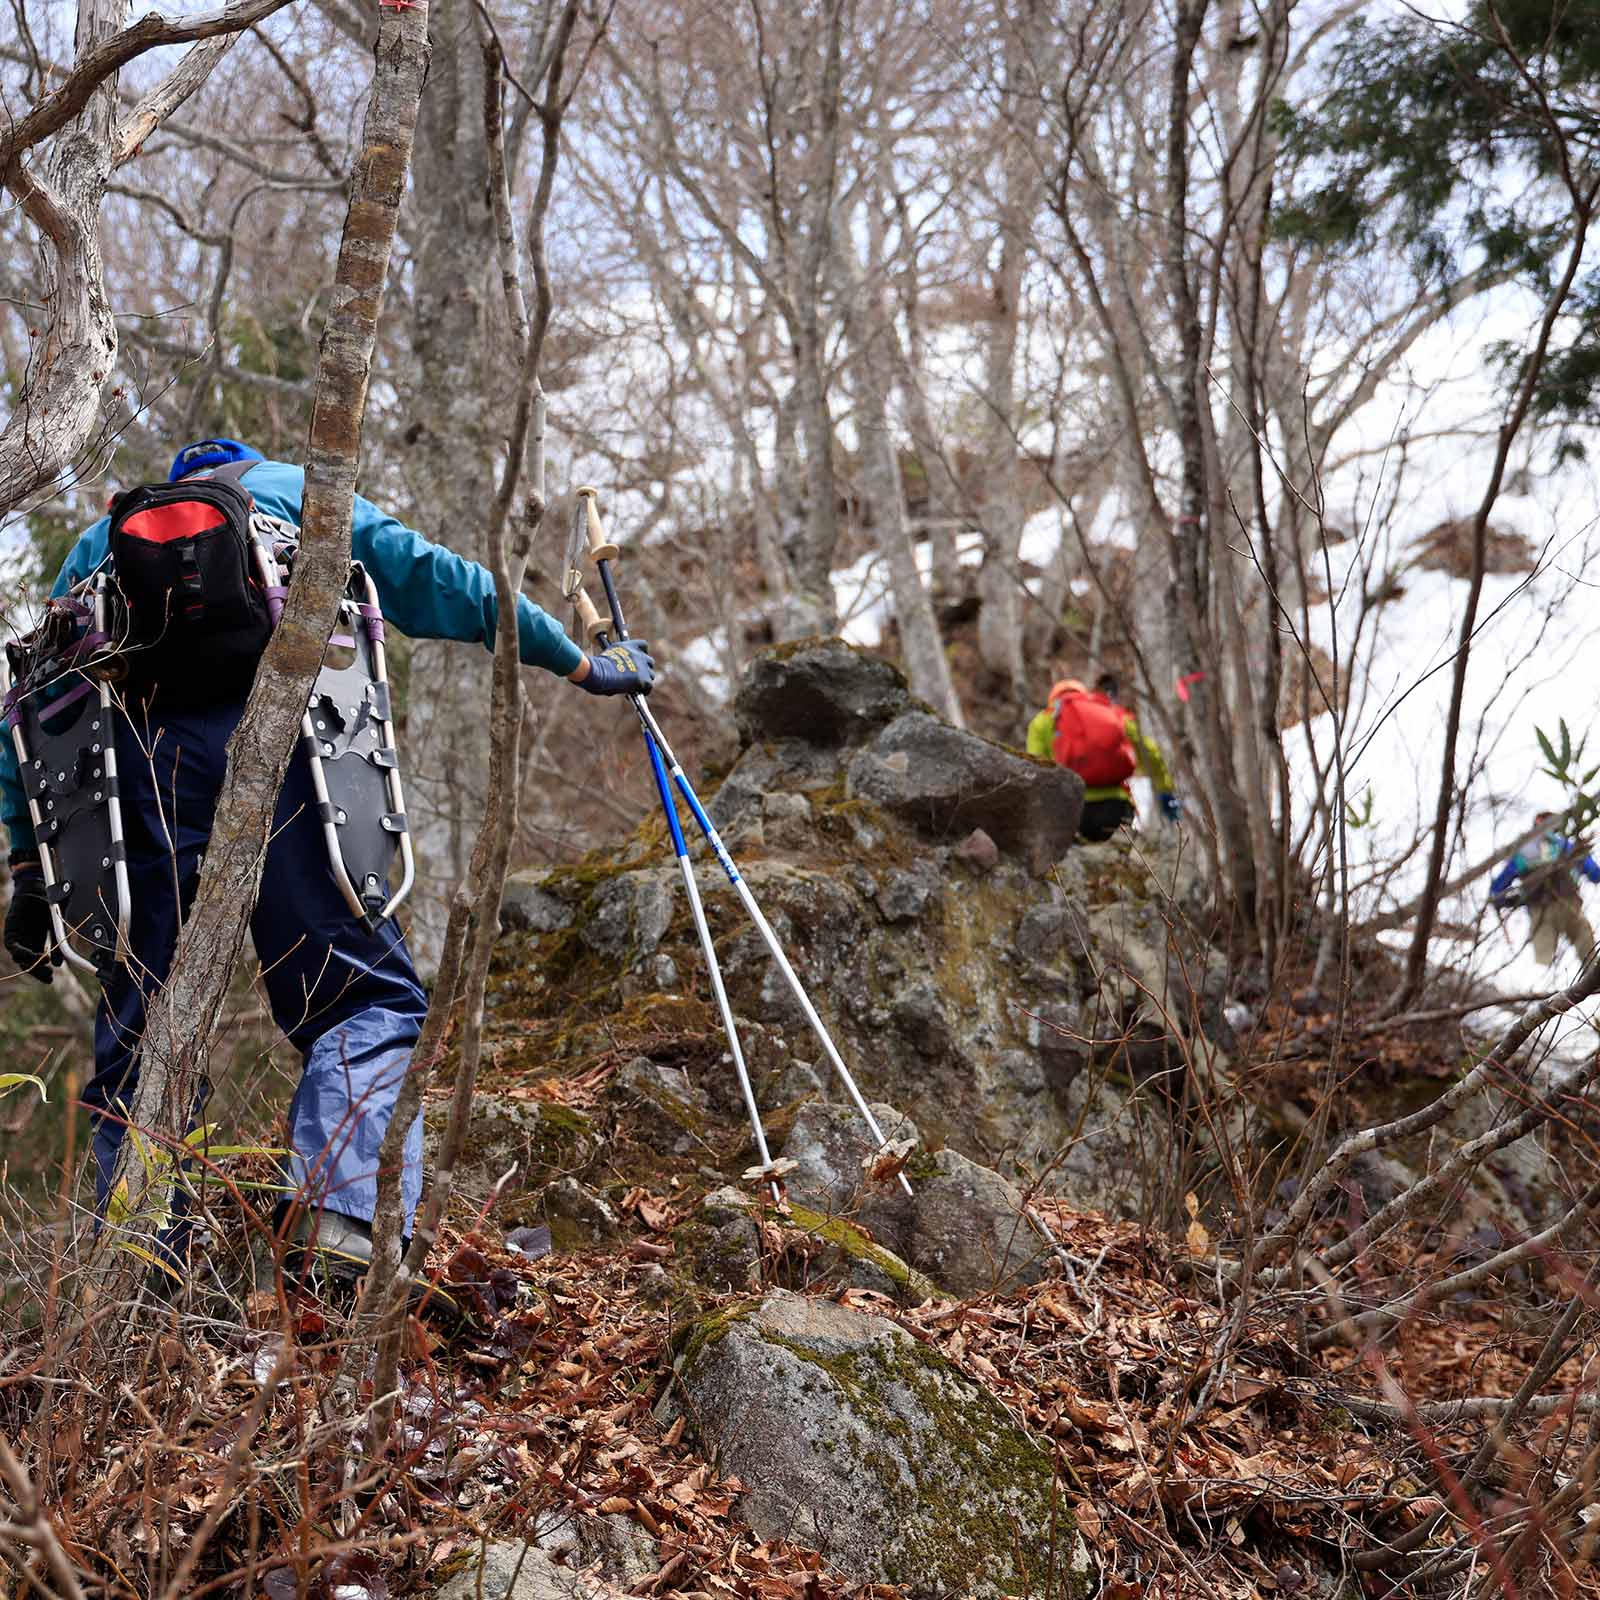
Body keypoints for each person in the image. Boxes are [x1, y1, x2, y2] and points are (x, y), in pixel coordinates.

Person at [0, 438, 654, 1282]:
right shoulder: (299, 492)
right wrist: (583, 660)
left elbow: (31, 699)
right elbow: (441, 583)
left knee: (146, 1030)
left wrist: (27, 871)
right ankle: (341, 1226)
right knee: (363, 1000)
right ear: (243, 462)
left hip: (142, 786)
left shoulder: (102, 542)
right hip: (288, 756)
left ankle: (137, 1270)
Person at [1025, 671, 1177, 843]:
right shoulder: (1110, 712)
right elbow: (1151, 753)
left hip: (1072, 809)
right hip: (1116, 808)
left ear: (1053, 699)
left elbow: (1036, 767)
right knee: (1118, 864)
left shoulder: (1044, 720)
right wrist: (1165, 790)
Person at [1489, 812, 1600, 966]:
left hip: (1541, 911)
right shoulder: (1567, 846)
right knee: (1589, 957)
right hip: (1569, 906)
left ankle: (1545, 989)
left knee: (1542, 963)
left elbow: (1497, 890)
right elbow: (1595, 874)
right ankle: (1593, 979)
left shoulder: (1524, 852)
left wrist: (1505, 900)